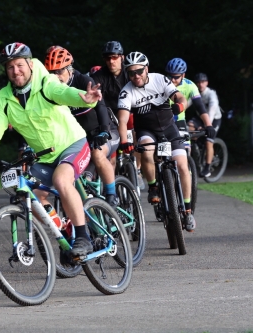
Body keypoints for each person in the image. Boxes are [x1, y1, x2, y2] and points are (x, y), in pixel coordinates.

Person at [0, 42, 103, 257]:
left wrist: (84, 98)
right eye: (10, 67)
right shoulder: (4, 99)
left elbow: (62, 92)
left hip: (73, 145)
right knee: (29, 194)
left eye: (20, 65)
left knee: (61, 180)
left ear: (30, 64)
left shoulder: (46, 83)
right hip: (45, 156)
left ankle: (83, 237)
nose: (16, 71)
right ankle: (63, 230)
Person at [117, 51, 197, 232]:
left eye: (139, 71)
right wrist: (124, 141)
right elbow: (122, 120)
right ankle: (153, 187)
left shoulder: (160, 79)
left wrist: (180, 105)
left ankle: (187, 209)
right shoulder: (126, 91)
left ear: (147, 69)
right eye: (131, 73)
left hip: (169, 129)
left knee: (183, 165)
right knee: (146, 151)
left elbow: (179, 97)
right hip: (147, 130)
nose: (135, 76)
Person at [44, 45, 119, 206]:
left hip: (104, 130)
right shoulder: (52, 90)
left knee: (98, 154)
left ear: (70, 69)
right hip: (80, 139)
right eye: (52, 73)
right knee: (74, 175)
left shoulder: (83, 81)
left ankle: (112, 196)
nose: (56, 77)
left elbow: (100, 106)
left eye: (60, 71)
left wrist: (104, 131)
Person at [91, 41, 142, 182]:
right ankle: (111, 190)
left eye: (114, 57)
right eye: (108, 58)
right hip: (110, 118)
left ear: (122, 57)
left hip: (130, 113)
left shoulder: (130, 73)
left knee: (141, 134)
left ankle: (137, 168)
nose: (111, 61)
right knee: (111, 158)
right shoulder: (99, 76)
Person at [165, 59, 216, 177]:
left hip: (179, 121)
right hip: (163, 121)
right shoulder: (162, 83)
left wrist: (208, 125)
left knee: (185, 151)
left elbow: (200, 107)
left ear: (183, 75)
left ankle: (186, 178)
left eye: (176, 77)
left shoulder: (190, 86)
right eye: (169, 76)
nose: (172, 80)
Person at [192, 72, 222, 177]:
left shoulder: (211, 94)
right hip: (200, 118)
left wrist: (207, 125)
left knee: (209, 142)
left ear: (207, 83)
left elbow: (212, 109)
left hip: (214, 119)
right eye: (198, 82)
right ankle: (195, 149)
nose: (201, 84)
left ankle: (207, 168)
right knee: (189, 126)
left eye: (203, 82)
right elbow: (186, 103)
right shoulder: (195, 93)